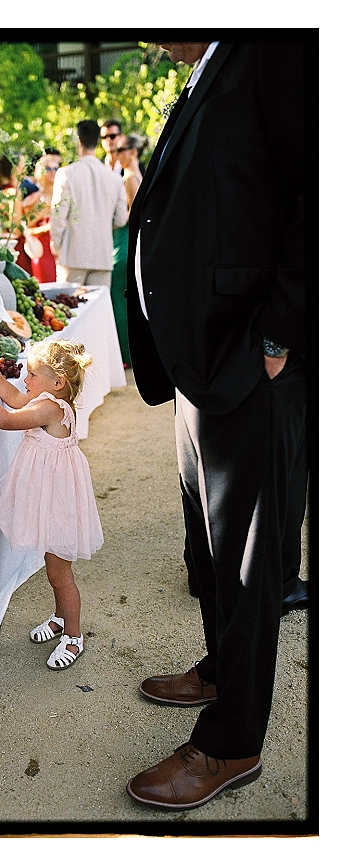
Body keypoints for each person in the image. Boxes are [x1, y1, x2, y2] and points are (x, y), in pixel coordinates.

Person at [124, 41, 308, 810]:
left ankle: (231, 744)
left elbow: (317, 190)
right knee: (209, 543)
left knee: (250, 562)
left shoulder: (282, 48)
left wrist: (278, 333)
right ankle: (221, 669)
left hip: (250, 358)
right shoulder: (210, 65)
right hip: (202, 359)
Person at [0, 340, 103, 669]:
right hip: (50, 493)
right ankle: (58, 618)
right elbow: (16, 399)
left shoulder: (51, 409)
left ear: (57, 383)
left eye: (32, 373)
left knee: (60, 574)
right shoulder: (47, 399)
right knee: (53, 569)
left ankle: (74, 636)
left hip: (59, 499)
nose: (26, 378)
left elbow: (7, 419)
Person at [50, 119, 127, 288]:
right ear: (98, 142)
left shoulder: (66, 174)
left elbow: (58, 217)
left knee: (69, 310)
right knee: (97, 311)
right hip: (102, 256)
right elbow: (121, 219)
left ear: (78, 141)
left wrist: (56, 247)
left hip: (72, 255)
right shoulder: (114, 179)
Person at [109, 132, 145, 367]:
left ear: (132, 152)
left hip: (125, 238)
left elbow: (132, 216)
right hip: (133, 239)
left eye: (120, 150)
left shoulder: (128, 178)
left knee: (117, 296)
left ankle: (124, 355)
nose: (115, 155)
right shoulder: (138, 174)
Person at [21, 152, 61, 283]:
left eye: (56, 168)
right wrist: (45, 227)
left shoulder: (64, 197)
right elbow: (25, 228)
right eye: (48, 169)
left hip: (62, 249)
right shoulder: (33, 200)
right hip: (43, 251)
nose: (52, 172)